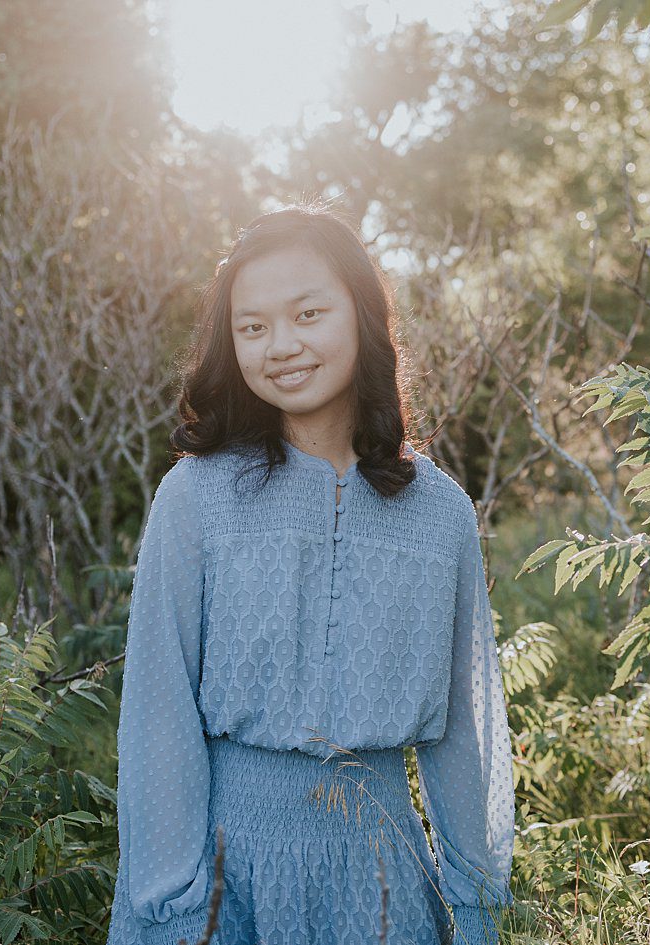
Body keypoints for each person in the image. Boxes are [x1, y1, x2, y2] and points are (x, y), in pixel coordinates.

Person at [105, 201, 513, 945]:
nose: (280, 346)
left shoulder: (442, 512)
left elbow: (463, 728)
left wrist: (478, 897)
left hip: (383, 874)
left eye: (308, 314)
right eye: (252, 327)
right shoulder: (196, 495)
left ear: (361, 315)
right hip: (226, 868)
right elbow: (158, 711)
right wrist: (174, 900)